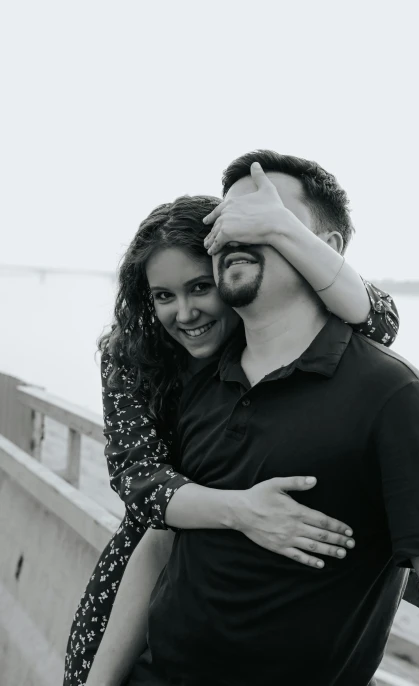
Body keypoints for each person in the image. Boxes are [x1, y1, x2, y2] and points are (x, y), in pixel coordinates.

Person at [94, 151, 419, 686]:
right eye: (228, 221)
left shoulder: (396, 397)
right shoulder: (195, 379)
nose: (239, 229)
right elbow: (160, 537)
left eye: (270, 217)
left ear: (326, 253)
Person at [64, 163, 399, 686]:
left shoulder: (270, 341)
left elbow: (381, 320)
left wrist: (279, 229)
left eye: (201, 287)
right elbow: (139, 480)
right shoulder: (130, 354)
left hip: (237, 600)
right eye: (163, 296)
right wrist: (242, 510)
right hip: (144, 567)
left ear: (229, 270)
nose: (185, 312)